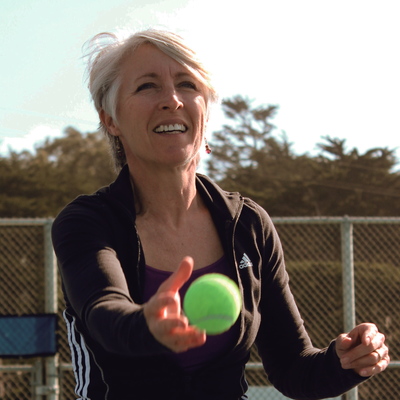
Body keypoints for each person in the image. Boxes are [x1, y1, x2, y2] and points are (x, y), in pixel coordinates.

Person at [52, 29, 390, 400]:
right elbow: (104, 312)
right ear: (111, 120)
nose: (173, 100)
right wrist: (145, 324)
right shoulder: (86, 222)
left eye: (186, 84)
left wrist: (347, 361)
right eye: (147, 86)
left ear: (206, 111)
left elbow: (295, 370)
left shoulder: (249, 224)